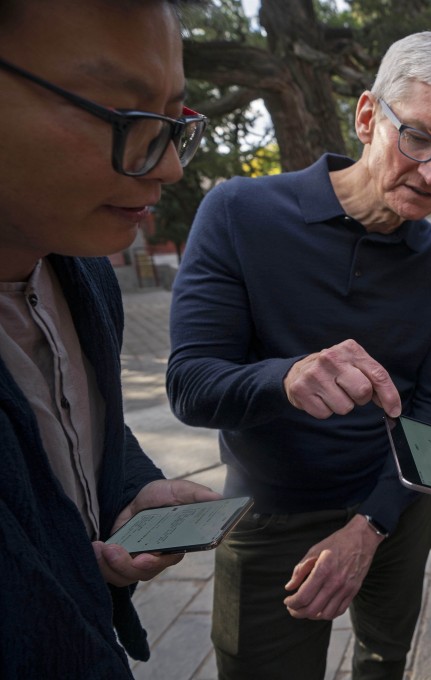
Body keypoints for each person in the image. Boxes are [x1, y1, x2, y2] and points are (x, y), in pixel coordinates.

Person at [166, 31, 431, 680]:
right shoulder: (239, 212)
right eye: (419, 138)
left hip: (392, 503)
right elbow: (190, 384)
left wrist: (371, 524)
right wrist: (283, 377)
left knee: (384, 658)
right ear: (368, 115)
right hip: (269, 508)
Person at [0, 0, 218, 677]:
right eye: (124, 117)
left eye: (175, 121)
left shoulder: (87, 273)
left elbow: (83, 424)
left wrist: (132, 489)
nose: (171, 167)